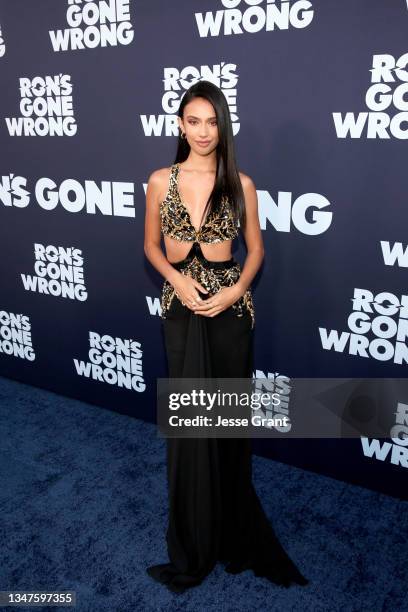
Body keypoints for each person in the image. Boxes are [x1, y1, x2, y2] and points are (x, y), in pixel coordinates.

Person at [143, 80, 309, 594]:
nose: (203, 131)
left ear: (223, 126)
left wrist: (234, 290)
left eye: (212, 121)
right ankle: (193, 537)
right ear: (179, 125)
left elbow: (255, 250)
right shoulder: (158, 180)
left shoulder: (241, 183)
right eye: (193, 121)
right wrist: (176, 279)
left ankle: (232, 526)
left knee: (228, 425)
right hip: (179, 309)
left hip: (230, 311)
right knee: (191, 426)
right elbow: (151, 246)